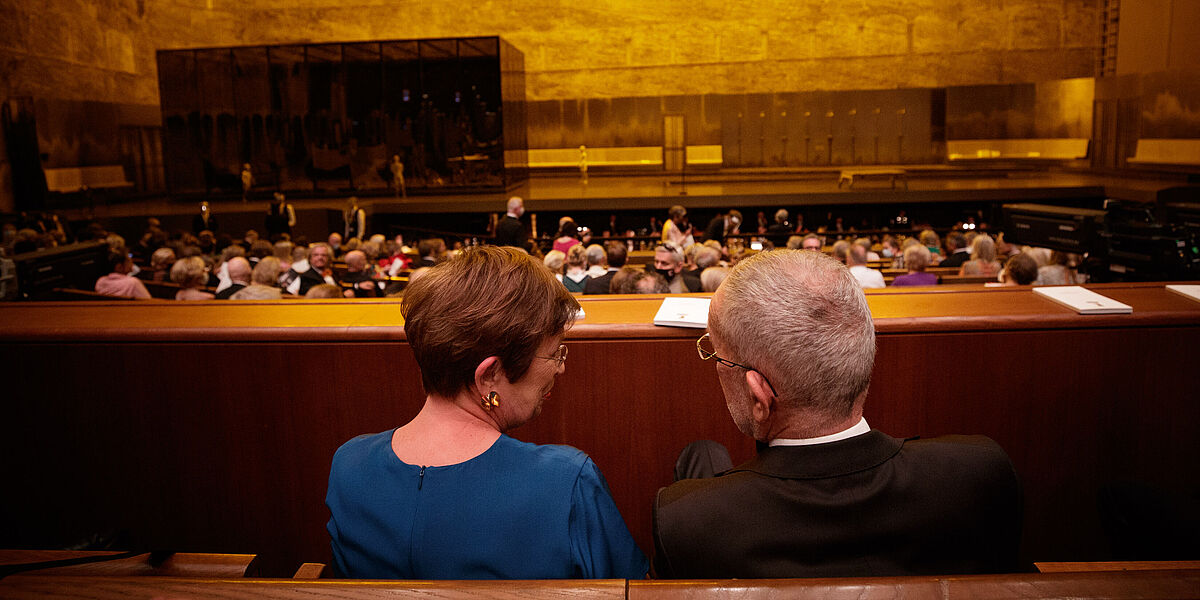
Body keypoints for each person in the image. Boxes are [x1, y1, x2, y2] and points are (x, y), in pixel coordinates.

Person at [653, 250, 1021, 579]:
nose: (715, 364)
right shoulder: (980, 473)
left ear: (760, 396)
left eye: (718, 356)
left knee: (701, 453)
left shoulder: (686, 520)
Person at [326, 246, 648, 579]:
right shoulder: (567, 482)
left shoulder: (349, 465)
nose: (560, 368)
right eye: (553, 354)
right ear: (489, 375)